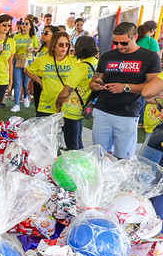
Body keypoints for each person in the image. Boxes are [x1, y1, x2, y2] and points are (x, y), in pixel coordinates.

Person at [89, 22, 161, 158]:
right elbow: (93, 82)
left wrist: (126, 87)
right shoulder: (107, 56)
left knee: (124, 158)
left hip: (128, 113)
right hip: (102, 110)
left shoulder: (150, 57)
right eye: (116, 43)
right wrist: (95, 84)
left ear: (135, 37)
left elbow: (153, 89)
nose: (120, 47)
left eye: (124, 43)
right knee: (99, 156)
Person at [26, 31, 82, 123]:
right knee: (44, 135)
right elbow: (27, 70)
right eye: (60, 44)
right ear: (53, 46)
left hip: (66, 105)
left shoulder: (75, 61)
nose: (64, 47)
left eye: (67, 44)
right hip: (46, 105)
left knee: (65, 136)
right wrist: (39, 81)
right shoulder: (42, 60)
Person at [56, 36, 99, 150]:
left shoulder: (80, 67)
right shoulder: (96, 63)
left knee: (72, 144)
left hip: (72, 109)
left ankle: (74, 166)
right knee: (78, 140)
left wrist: (58, 104)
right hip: (84, 106)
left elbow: (66, 92)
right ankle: (81, 163)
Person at [11, 16, 38, 111]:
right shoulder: (16, 36)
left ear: (31, 26)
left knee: (26, 83)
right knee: (17, 82)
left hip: (28, 62)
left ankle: (26, 96)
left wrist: (33, 49)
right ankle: (17, 104)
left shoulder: (33, 37)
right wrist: (15, 54)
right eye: (23, 23)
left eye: (27, 24)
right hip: (17, 61)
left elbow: (37, 49)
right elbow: (12, 49)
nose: (24, 25)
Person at [0, 14, 15, 114]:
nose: (6, 28)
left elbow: (10, 62)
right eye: (4, 25)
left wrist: (11, 81)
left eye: (9, 26)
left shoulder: (11, 41)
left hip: (2, 78)